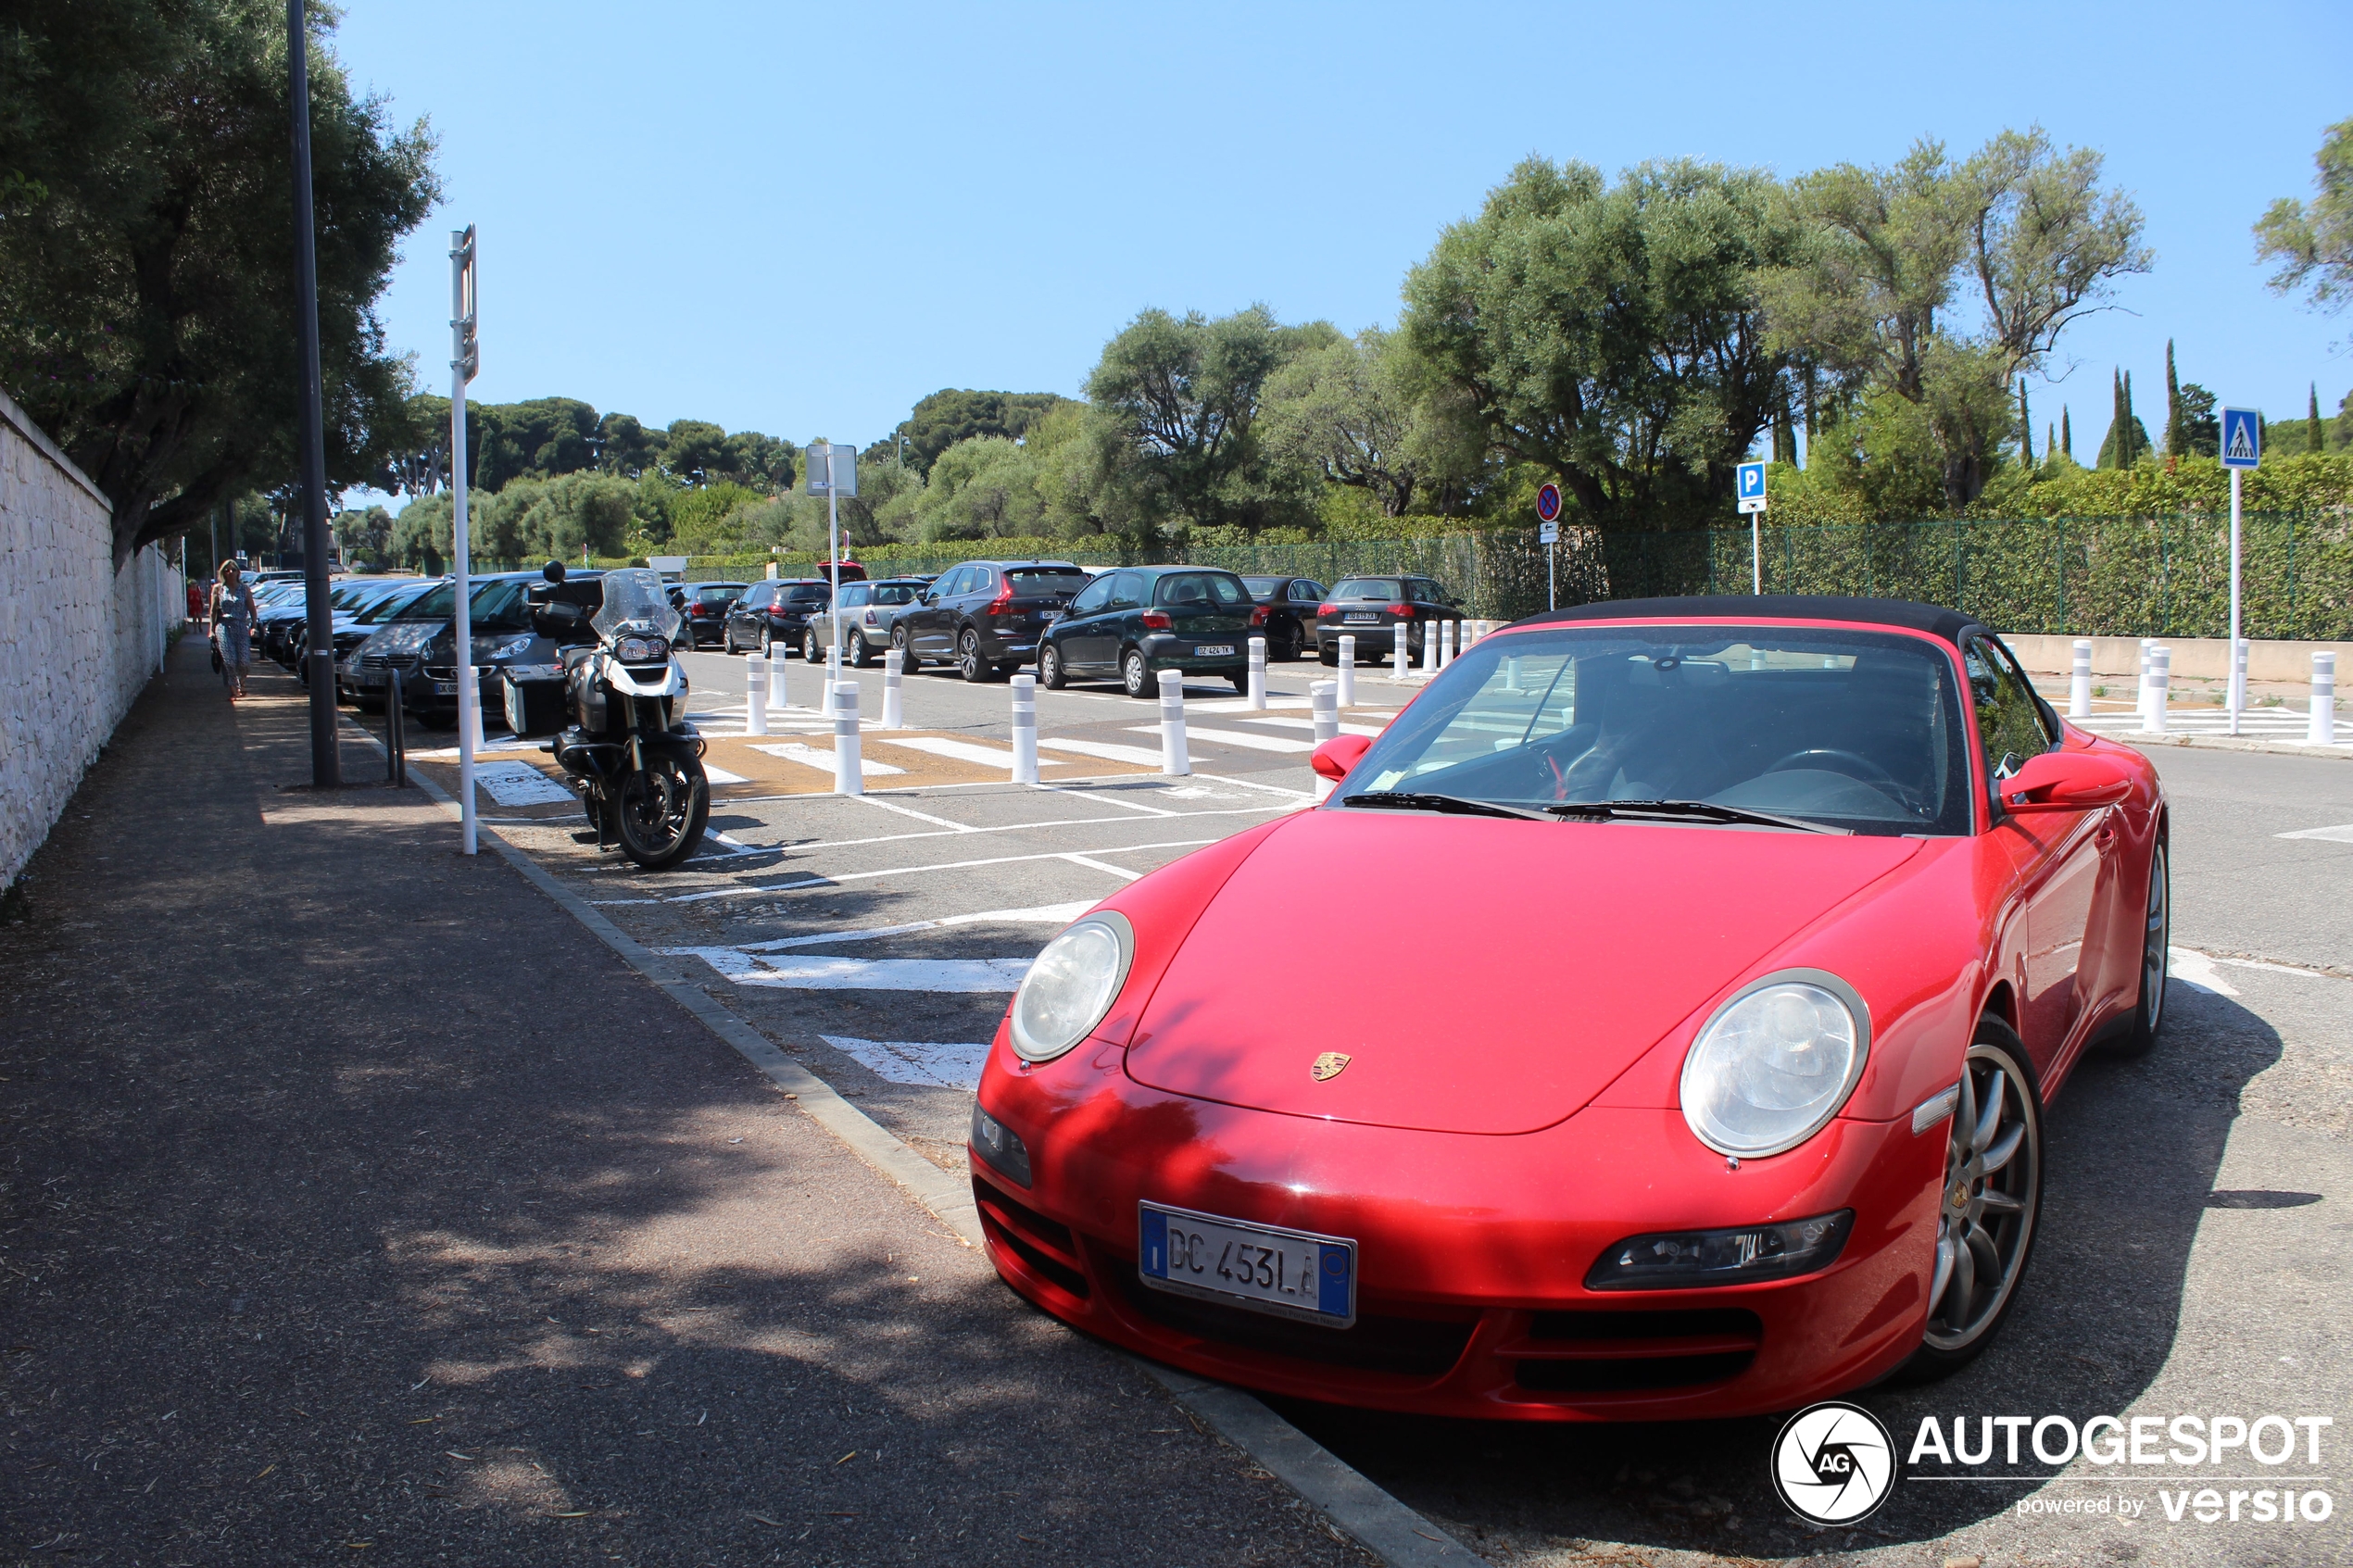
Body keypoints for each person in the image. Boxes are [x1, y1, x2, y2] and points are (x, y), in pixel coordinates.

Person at [209, 560, 258, 699]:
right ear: (223, 573)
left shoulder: (244, 589)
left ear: (238, 572)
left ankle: (241, 682)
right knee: (229, 660)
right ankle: (233, 689)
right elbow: (213, 611)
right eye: (227, 570)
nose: (230, 572)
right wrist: (211, 630)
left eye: (233, 570)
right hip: (223, 626)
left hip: (241, 626)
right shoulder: (218, 589)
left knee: (243, 661)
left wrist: (253, 626)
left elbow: (252, 609)